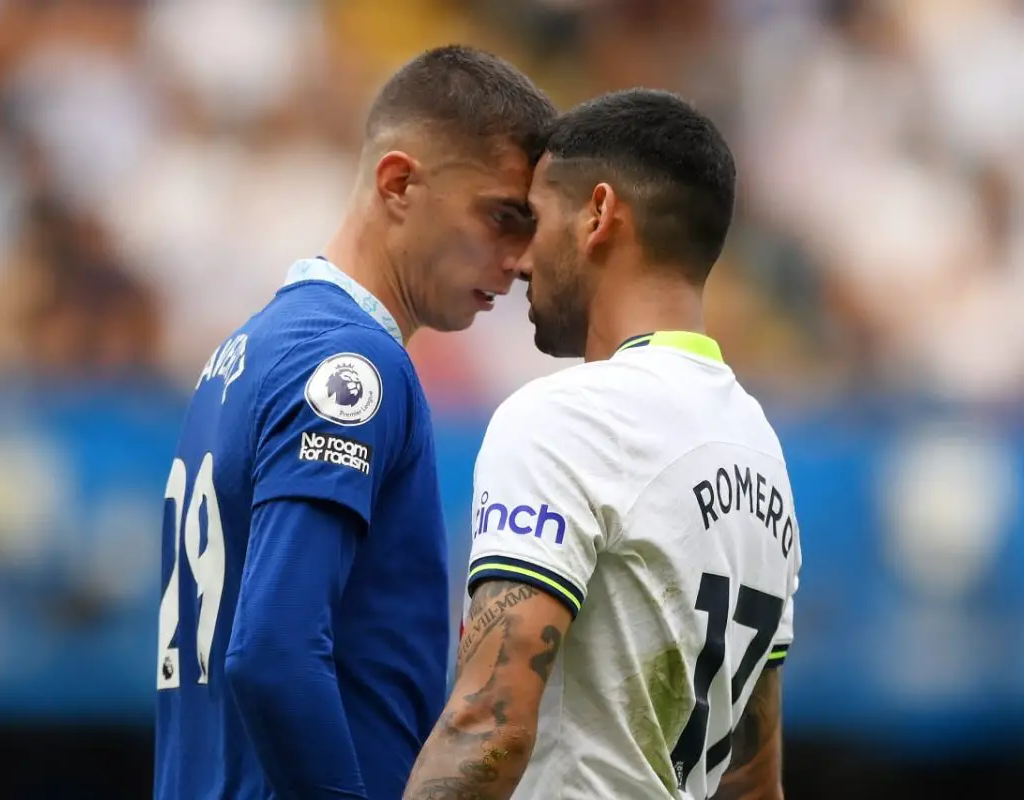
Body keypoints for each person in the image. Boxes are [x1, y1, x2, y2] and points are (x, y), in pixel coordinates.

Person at [153, 45, 556, 800]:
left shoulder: (251, 349)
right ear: (399, 182)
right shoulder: (351, 363)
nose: (520, 260)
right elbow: (272, 652)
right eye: (503, 217)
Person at [405, 89, 802, 800]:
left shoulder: (569, 419)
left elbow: (488, 727)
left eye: (534, 220)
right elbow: (753, 781)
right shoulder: (760, 451)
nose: (520, 260)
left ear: (598, 214)